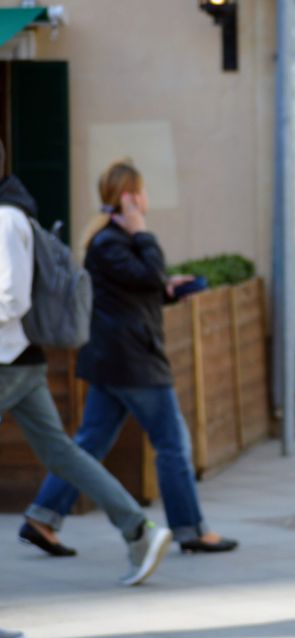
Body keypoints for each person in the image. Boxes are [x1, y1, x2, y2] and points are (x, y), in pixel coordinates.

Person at [23, 160, 238, 555]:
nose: (144, 199)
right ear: (127, 197)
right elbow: (148, 275)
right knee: (172, 443)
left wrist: (169, 288)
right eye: (138, 192)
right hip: (133, 363)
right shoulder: (112, 241)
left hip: (114, 361)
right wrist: (143, 234)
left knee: (88, 445)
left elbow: (140, 287)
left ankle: (42, 518)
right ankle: (190, 529)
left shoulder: (111, 242)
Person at [0, 147, 171, 585]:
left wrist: (143, 234)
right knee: (67, 451)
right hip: (25, 359)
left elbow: (11, 297)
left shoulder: (6, 219)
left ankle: (145, 530)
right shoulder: (17, 216)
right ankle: (137, 530)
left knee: (78, 449)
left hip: (9, 359)